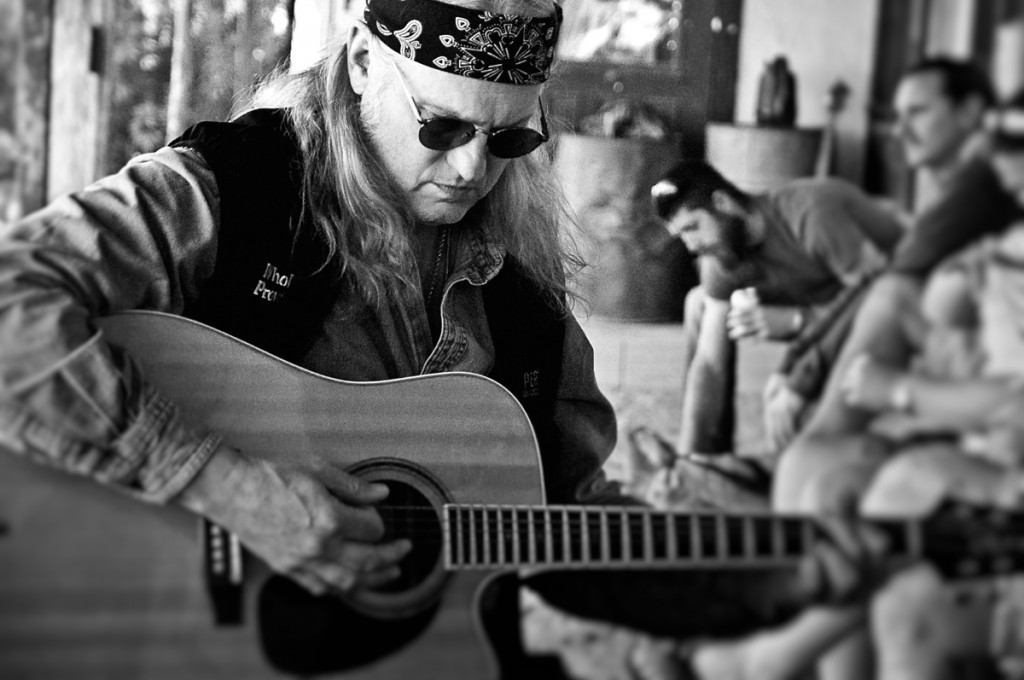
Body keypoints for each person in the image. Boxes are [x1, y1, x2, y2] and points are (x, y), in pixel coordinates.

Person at [0, 0, 895, 677]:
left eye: (509, 138)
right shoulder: (226, 191)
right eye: (441, 124)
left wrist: (762, 578)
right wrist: (222, 484)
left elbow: (567, 527)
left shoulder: (526, 300)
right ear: (359, 63)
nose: (471, 168)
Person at [763, 56, 1006, 455]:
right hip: (963, 358)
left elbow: (885, 285)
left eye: (919, 112)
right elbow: (875, 279)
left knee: (814, 412)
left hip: (996, 381)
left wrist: (802, 376)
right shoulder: (961, 184)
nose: (900, 130)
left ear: (970, 112)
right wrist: (797, 361)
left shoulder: (983, 186)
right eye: (898, 115)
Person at [650, 160, 904, 458]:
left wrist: (797, 336)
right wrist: (689, 459)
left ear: (723, 203)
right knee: (701, 304)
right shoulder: (720, 254)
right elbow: (709, 362)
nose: (691, 246)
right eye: (681, 235)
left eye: (693, 227)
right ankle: (706, 465)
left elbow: (879, 301)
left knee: (801, 424)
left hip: (897, 304)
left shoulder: (810, 214)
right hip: (826, 306)